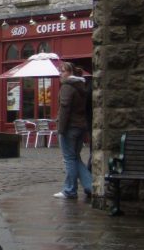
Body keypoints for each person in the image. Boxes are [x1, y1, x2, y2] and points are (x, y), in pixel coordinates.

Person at [55, 62, 93, 200]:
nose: (60, 74)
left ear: (70, 73)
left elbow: (65, 108)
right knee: (75, 158)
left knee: (69, 159)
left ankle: (70, 190)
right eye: (60, 71)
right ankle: (91, 186)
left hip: (69, 127)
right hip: (80, 127)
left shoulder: (67, 86)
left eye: (63, 71)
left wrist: (61, 129)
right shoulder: (81, 86)